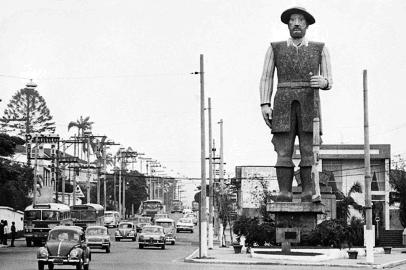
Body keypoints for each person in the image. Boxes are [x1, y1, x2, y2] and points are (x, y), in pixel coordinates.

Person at [259, 7, 332, 202]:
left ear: (307, 25)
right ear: (288, 24)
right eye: (293, 20)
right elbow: (266, 77)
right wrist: (264, 103)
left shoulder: (320, 48)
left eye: (301, 20)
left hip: (310, 103)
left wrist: (323, 82)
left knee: (309, 149)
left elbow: (329, 79)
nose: (297, 23)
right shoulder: (275, 48)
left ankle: (308, 191)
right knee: (283, 149)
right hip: (283, 102)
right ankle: (285, 191)